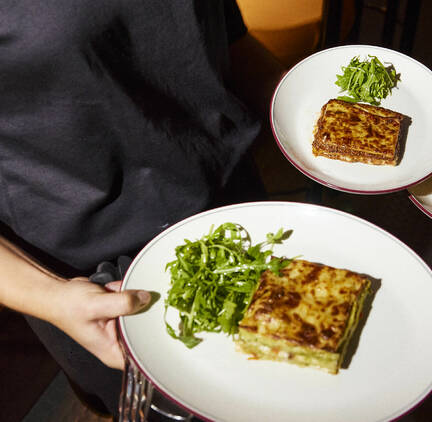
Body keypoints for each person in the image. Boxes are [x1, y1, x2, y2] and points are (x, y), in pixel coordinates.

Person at [0, 0, 285, 417]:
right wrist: (53, 298)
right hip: (105, 285)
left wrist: (310, 105)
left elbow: (222, 41)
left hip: (239, 213)